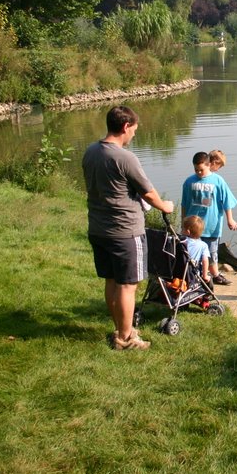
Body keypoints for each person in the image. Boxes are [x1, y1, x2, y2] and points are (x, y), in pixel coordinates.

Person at [83, 105, 174, 351]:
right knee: (127, 285)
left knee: (111, 281)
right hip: (124, 231)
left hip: (98, 229)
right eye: (134, 129)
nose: (134, 134)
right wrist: (165, 206)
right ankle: (126, 339)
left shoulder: (91, 151)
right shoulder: (124, 157)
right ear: (125, 126)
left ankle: (121, 329)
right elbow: (149, 193)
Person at [180, 150, 237, 285]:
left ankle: (215, 275)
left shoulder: (218, 181)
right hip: (192, 226)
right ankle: (193, 274)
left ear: (209, 165)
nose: (198, 173)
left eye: (201, 170)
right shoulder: (189, 182)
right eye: (196, 170)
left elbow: (227, 201)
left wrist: (230, 219)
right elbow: (184, 203)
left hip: (211, 225)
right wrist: (183, 221)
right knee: (191, 251)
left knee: (212, 253)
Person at [181, 215, 210, 282]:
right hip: (192, 274)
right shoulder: (203, 245)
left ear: (188, 231)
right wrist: (205, 276)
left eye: (182, 228)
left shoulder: (181, 241)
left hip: (178, 271)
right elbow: (205, 260)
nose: (181, 230)